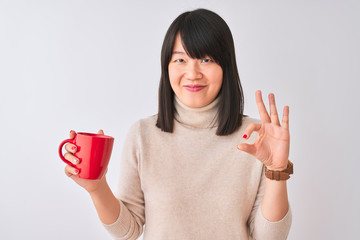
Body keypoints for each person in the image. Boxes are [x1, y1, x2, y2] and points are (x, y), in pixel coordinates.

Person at [62, 8, 292, 240]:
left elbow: (270, 237)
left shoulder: (256, 138)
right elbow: (128, 231)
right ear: (167, 66)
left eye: (206, 59)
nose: (192, 73)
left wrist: (277, 169)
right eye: (180, 59)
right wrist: (97, 187)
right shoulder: (142, 134)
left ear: (226, 66)